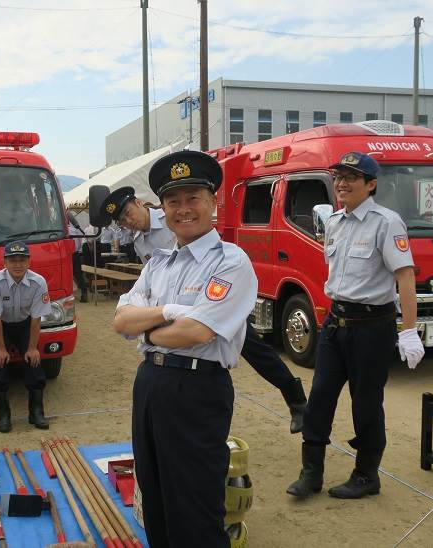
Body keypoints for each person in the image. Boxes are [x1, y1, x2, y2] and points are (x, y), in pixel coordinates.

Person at [113, 150, 256, 546]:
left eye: (193, 198)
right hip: (150, 385)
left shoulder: (230, 262)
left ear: (213, 203)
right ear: (162, 207)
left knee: (194, 507)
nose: (183, 209)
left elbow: (196, 332)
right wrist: (165, 313)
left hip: (198, 390)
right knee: (155, 497)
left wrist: (145, 332)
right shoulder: (157, 264)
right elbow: (120, 319)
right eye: (173, 201)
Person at [101, 184, 307, 434]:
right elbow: (145, 293)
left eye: (128, 213)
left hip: (208, 303)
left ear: (140, 204)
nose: (128, 221)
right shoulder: (140, 241)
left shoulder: (170, 219)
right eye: (122, 220)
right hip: (172, 314)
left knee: (257, 350)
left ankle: (295, 397)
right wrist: (157, 314)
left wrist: (146, 333)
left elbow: (198, 326)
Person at [287, 152, 424, 500]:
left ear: (371, 184)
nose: (342, 184)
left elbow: (405, 276)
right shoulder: (334, 222)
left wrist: (408, 330)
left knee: (365, 403)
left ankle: (366, 476)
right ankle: (311, 473)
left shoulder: (386, 223)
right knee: (319, 398)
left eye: (352, 177)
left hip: (372, 327)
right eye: (338, 177)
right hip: (336, 323)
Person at [0, 241, 53, 433]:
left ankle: (36, 412)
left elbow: (36, 318)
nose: (17, 264)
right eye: (12, 260)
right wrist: (0, 348)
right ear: (4, 262)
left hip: (25, 324)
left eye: (22, 260)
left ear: (29, 261)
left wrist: (32, 348)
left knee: (34, 362)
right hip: (1, 326)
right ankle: (3, 415)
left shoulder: (38, 282)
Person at [66, 210, 88, 303]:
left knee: (69, 275)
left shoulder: (64, 230)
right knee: (78, 275)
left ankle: (69, 294)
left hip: (67, 255)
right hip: (75, 254)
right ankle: (84, 292)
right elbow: (79, 244)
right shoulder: (75, 230)